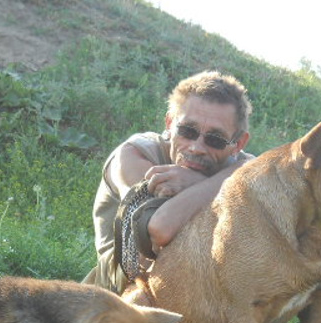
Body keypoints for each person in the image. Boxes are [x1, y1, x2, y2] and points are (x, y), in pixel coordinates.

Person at [84, 71, 254, 293]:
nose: (196, 147)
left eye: (215, 139)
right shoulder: (134, 154)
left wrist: (197, 182)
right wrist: (226, 180)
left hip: (207, 290)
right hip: (119, 285)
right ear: (170, 122)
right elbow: (159, 228)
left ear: (238, 143)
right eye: (187, 131)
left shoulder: (243, 168)